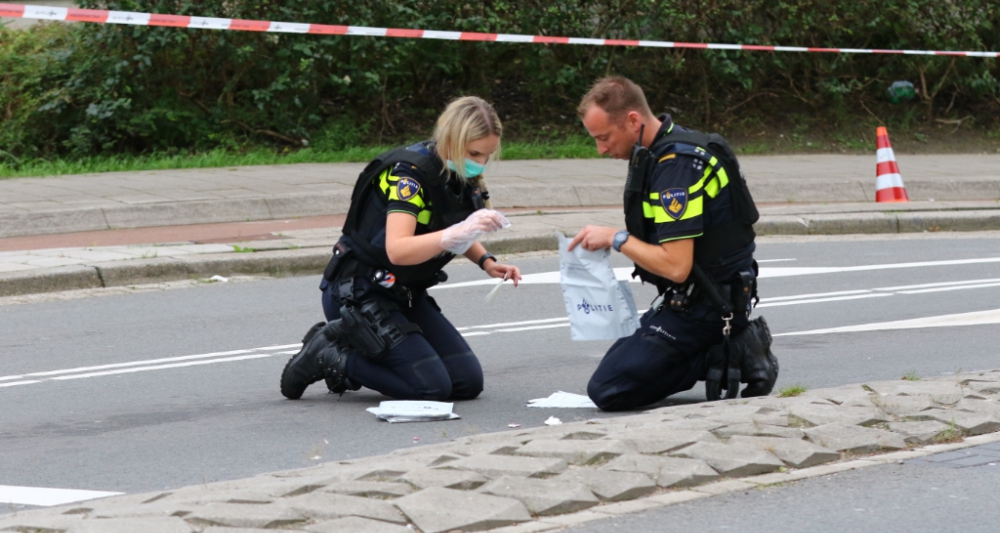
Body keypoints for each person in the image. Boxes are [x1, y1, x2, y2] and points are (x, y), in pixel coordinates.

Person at [280, 96, 521, 402]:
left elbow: (450, 227)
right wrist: (457, 232)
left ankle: (367, 353)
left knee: (466, 382)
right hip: (360, 290)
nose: (480, 163)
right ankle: (333, 355)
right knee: (431, 388)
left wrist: (486, 261)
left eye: (487, 156)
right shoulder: (409, 177)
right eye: (475, 153)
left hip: (403, 292)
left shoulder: (458, 174)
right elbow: (398, 249)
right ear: (450, 140)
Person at [568, 76, 778, 411]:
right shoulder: (668, 148)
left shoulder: (676, 167)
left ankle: (733, 349)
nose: (601, 148)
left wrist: (616, 238)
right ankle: (721, 346)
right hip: (694, 299)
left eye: (604, 137)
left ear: (633, 120)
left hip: (708, 307)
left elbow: (676, 267)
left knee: (608, 389)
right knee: (621, 362)